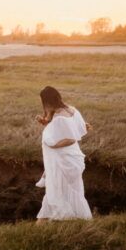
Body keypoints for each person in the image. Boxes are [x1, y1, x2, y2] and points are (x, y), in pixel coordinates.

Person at [35, 86, 93, 221]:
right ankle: (74, 220)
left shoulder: (61, 116)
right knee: (67, 191)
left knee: (56, 191)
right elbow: (77, 127)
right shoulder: (71, 110)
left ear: (47, 101)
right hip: (70, 159)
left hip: (63, 161)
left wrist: (53, 145)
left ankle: (65, 218)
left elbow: (71, 138)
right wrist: (44, 120)